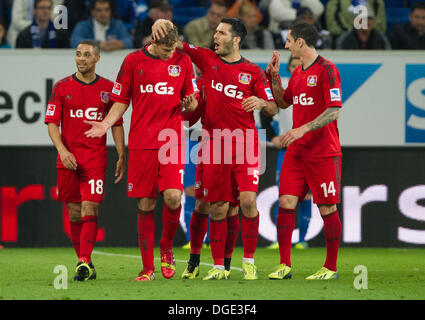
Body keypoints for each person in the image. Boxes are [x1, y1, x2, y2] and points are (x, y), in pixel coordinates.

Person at [152, 17, 277, 280]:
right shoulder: (207, 60)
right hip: (214, 144)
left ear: (236, 39)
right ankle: (216, 266)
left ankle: (248, 262)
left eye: (221, 33)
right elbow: (179, 44)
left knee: (246, 201)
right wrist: (163, 22)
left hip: (245, 143)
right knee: (216, 206)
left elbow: (273, 107)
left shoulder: (253, 72)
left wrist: (261, 102)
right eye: (215, 33)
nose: (215, 37)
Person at [84, 24, 198, 281]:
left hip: (171, 140)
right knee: (145, 203)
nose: (170, 54)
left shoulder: (184, 61)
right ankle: (147, 269)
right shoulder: (133, 60)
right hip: (142, 141)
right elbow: (121, 99)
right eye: (166, 49)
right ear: (154, 41)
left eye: (173, 49)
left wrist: (192, 103)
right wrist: (105, 123)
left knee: (172, 197)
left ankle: (167, 247)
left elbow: (192, 98)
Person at [266, 22, 342, 280]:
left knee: (327, 209)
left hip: (323, 152)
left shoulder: (327, 69)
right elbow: (283, 103)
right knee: (286, 202)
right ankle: (284, 265)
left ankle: (330, 268)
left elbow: (334, 111)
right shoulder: (297, 73)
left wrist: (303, 129)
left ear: (300, 42)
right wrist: (275, 78)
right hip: (296, 153)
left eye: (288, 40)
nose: (285, 45)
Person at [45, 40, 126, 281]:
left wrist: (121, 153)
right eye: (78, 54)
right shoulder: (61, 86)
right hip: (68, 158)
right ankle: (86, 263)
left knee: (90, 206)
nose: (81, 58)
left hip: (94, 158)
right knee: (73, 212)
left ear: (97, 59)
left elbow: (117, 124)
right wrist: (62, 150)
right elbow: (52, 123)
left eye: (87, 55)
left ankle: (83, 261)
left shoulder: (108, 89)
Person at [179, 73, 240, 280]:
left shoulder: (243, 74)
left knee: (230, 206)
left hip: (237, 145)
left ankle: (225, 265)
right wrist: (190, 108)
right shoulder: (200, 83)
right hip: (207, 145)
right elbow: (187, 120)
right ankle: (194, 262)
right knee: (202, 204)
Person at [261, 55, 312, 251]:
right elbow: (266, 112)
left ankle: (303, 239)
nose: (295, 68)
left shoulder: (312, 88)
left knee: (306, 195)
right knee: (283, 194)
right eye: (292, 65)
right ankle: (278, 239)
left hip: (308, 148)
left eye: (299, 65)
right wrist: (272, 136)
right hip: (287, 148)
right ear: (288, 68)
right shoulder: (282, 89)